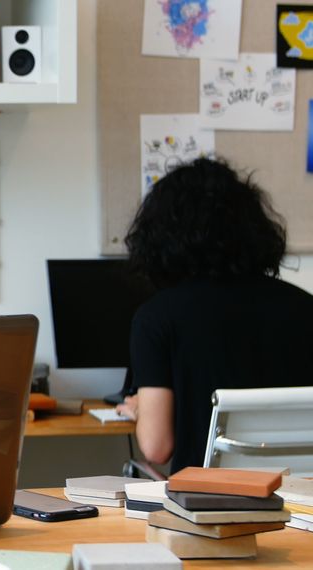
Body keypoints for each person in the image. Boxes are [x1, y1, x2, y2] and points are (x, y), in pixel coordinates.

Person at [116, 158, 313, 473]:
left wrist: (144, 411)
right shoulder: (305, 307)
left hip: (207, 508)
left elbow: (156, 447)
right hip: (300, 510)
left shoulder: (157, 318)